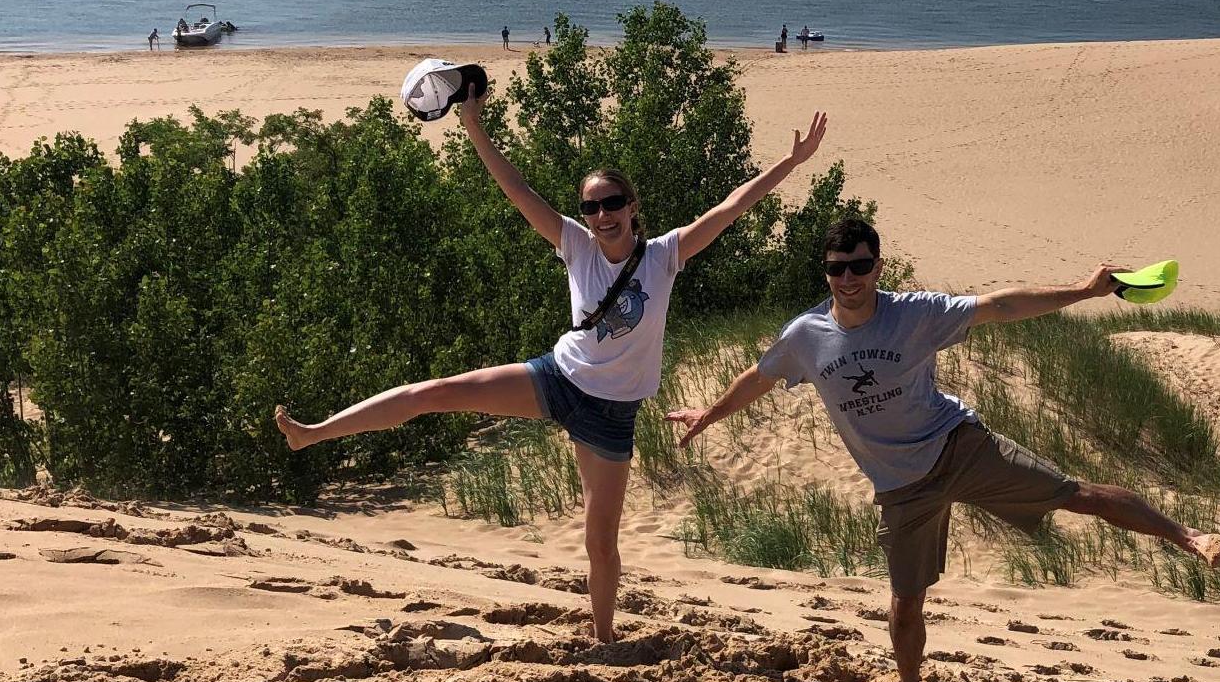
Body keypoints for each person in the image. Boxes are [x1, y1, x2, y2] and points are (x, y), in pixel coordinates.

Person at [276, 100, 830, 645]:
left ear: (633, 206)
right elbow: (517, 190)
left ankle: (604, 639)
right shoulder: (575, 246)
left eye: (612, 203)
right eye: (591, 207)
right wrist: (473, 125)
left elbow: (732, 208)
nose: (602, 215)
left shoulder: (664, 255)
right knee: (433, 393)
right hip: (557, 379)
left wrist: (792, 162)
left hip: (612, 416)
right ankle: (316, 432)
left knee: (600, 542)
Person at [668, 218, 1220, 682]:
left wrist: (1083, 292)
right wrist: (708, 415)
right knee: (906, 601)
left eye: (859, 267)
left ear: (877, 268)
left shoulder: (915, 314)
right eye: (837, 269)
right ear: (826, 273)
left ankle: (1189, 537)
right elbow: (758, 378)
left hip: (957, 448)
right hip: (900, 485)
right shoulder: (806, 336)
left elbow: (1002, 305)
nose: (848, 279)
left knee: (1075, 495)